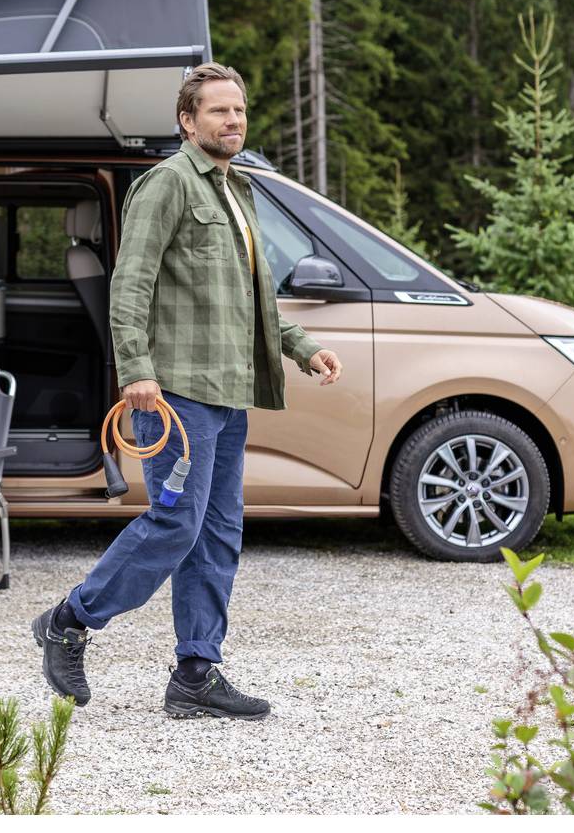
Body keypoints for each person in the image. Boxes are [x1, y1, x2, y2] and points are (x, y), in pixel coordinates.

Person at [32, 63, 344, 719]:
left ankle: (196, 674)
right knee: (175, 523)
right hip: (173, 396)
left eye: (239, 109)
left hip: (227, 394)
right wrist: (136, 368)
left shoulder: (239, 191)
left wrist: (302, 347)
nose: (233, 120)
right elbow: (131, 284)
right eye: (218, 111)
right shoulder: (167, 184)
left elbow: (251, 299)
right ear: (186, 120)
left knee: (218, 531)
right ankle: (69, 619)